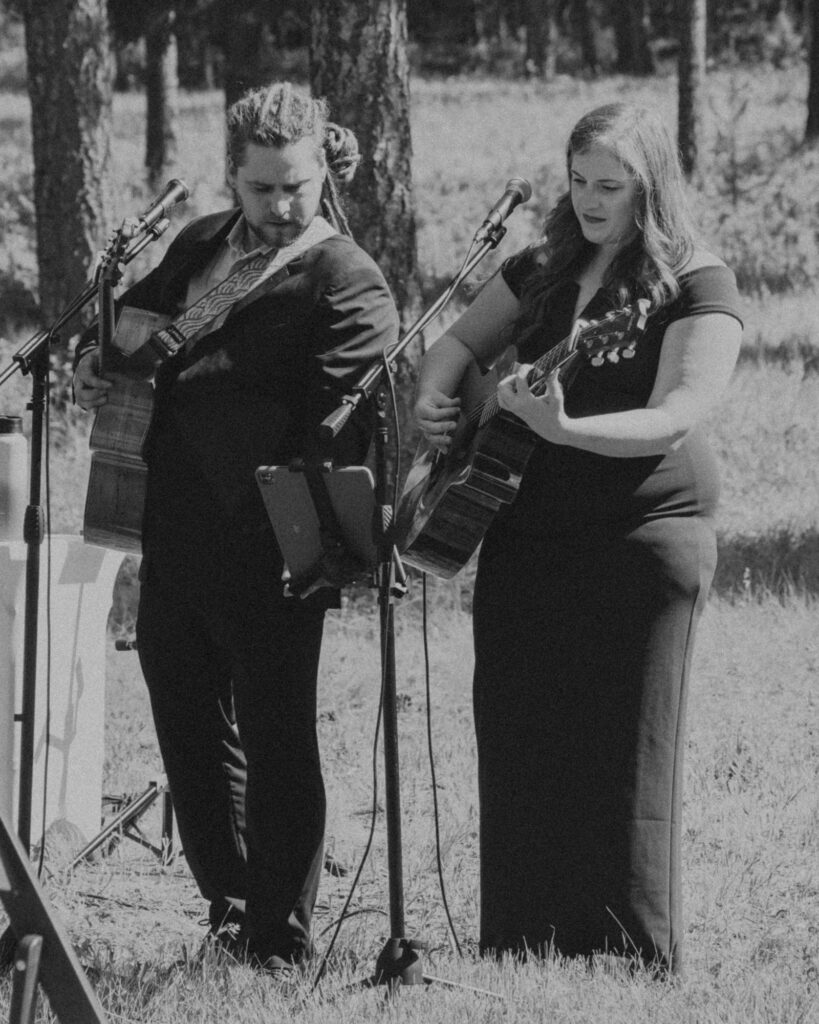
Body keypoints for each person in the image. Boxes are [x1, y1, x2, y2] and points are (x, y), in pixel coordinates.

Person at [73, 82, 399, 972]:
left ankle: (280, 941)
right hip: (173, 525)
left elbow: (339, 428)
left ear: (321, 170)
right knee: (183, 717)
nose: (282, 205)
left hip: (271, 541)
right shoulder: (201, 240)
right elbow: (125, 333)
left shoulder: (345, 278)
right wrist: (96, 365)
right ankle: (229, 900)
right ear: (233, 177)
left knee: (275, 732)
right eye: (262, 189)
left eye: (296, 185)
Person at [413, 101, 743, 975]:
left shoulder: (698, 282)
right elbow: (452, 344)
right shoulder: (541, 267)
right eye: (579, 181)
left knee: (624, 742)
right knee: (520, 727)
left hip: (642, 532)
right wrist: (436, 392)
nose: (591, 201)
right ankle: (525, 938)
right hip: (524, 527)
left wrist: (565, 430)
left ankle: (629, 950)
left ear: (651, 188)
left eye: (612, 186)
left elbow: (676, 415)